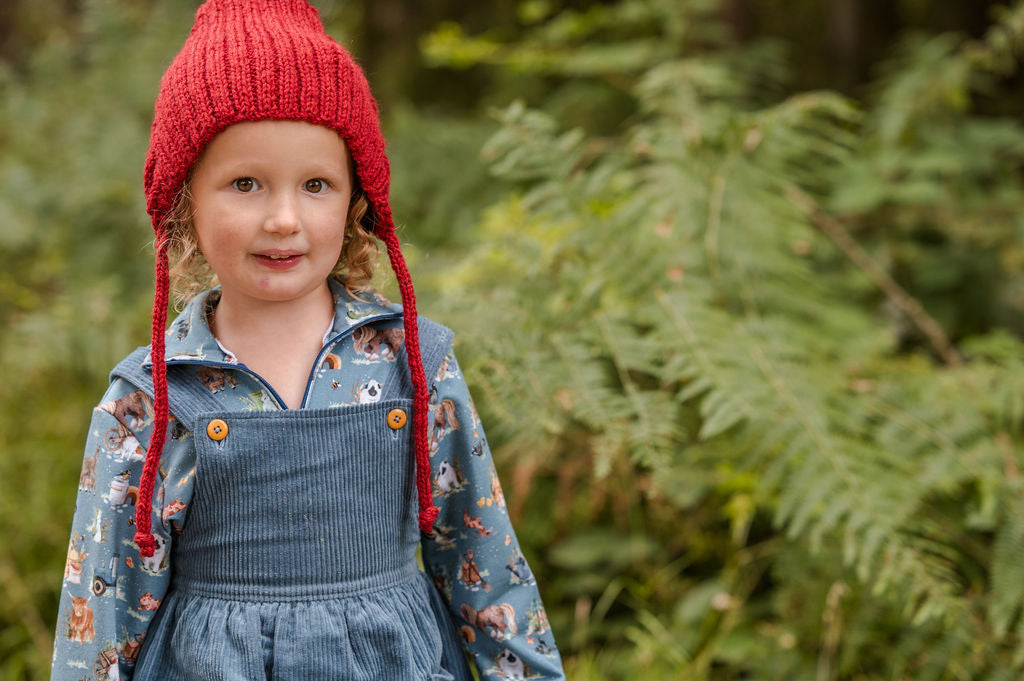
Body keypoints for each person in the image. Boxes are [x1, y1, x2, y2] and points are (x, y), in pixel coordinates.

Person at [49, 1, 566, 679]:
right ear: (185, 203)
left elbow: (484, 558)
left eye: (316, 184)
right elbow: (101, 610)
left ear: (355, 201)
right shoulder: (150, 401)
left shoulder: (412, 364)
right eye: (245, 183)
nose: (284, 218)